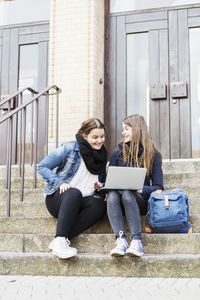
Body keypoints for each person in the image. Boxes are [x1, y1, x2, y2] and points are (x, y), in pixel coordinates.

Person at [37, 118, 107, 259]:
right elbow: (42, 166)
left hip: (81, 201)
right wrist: (59, 183)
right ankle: (61, 238)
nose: (99, 141)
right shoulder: (69, 148)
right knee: (74, 192)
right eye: (95, 137)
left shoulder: (102, 155)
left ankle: (60, 240)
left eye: (102, 137)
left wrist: (99, 186)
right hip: (60, 199)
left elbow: (102, 182)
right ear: (84, 136)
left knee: (99, 204)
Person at [107, 114, 163, 257]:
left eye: (126, 129)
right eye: (122, 129)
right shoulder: (117, 153)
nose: (123, 132)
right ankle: (121, 240)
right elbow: (110, 180)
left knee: (128, 193)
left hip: (138, 201)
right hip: (117, 202)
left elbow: (158, 187)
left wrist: (141, 189)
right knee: (112, 194)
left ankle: (137, 241)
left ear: (137, 129)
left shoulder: (153, 154)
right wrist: (102, 185)